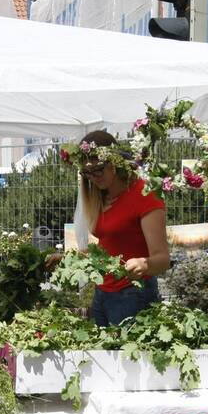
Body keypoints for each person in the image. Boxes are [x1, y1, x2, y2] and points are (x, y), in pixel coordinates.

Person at [77, 130, 170, 326]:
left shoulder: (145, 195)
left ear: (115, 163)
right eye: (87, 173)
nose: (93, 177)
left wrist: (144, 264)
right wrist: (71, 259)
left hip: (133, 294)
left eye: (98, 170)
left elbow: (162, 260)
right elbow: (108, 248)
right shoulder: (99, 197)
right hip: (102, 292)